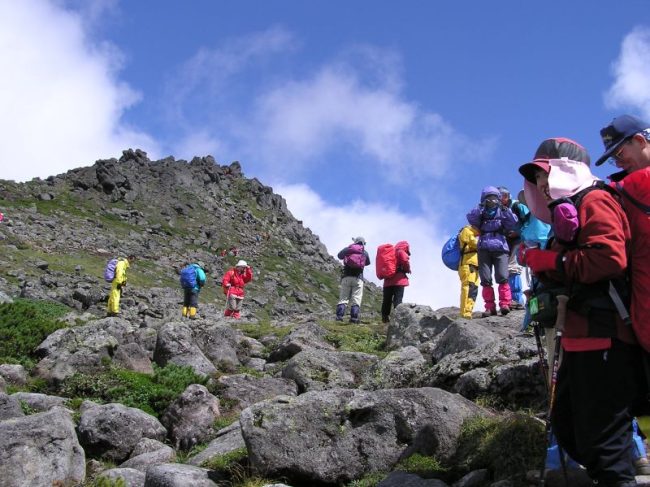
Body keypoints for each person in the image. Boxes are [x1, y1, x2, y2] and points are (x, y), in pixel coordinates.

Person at [519, 137, 641, 486]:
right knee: (570, 425)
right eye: (536, 179)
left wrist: (552, 260)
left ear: (566, 170)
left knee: (603, 441)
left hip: (604, 335)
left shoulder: (595, 200)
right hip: (581, 338)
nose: (541, 185)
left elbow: (609, 259)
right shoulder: (569, 208)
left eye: (545, 174)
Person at [467, 187, 518, 317]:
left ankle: (504, 304)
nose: (491, 201)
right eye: (488, 198)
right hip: (485, 248)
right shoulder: (480, 212)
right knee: (486, 278)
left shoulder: (503, 211)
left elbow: (513, 222)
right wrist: (480, 207)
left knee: (502, 276)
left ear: (499, 199)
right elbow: (471, 219)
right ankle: (490, 307)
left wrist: (504, 209)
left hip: (500, 247)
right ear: (484, 199)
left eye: (494, 198)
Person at [497, 186, 527, 309]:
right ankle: (510, 299)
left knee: (513, 268)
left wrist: (518, 232)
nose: (501, 198)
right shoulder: (499, 210)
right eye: (499, 196)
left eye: (503, 195)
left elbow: (528, 220)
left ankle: (517, 300)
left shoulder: (516, 205)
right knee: (506, 269)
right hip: (506, 241)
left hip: (518, 240)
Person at [336, 237, 371, 324]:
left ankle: (339, 317)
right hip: (358, 278)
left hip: (346, 277)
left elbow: (339, 256)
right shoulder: (364, 252)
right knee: (356, 299)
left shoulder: (348, 249)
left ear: (355, 242)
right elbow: (368, 263)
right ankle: (354, 318)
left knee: (343, 298)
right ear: (363, 243)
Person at [381, 241, 410, 323]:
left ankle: (385, 317)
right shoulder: (401, 251)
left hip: (387, 280)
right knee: (398, 299)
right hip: (399, 280)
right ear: (406, 247)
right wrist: (408, 269)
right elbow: (405, 261)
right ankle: (398, 318)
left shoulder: (389, 253)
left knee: (387, 300)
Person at [457, 224, 480, 319]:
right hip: (467, 264)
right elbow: (473, 243)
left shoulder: (472, 233)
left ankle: (468, 311)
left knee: (473, 289)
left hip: (474, 265)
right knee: (468, 287)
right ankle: (464, 313)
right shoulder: (466, 230)